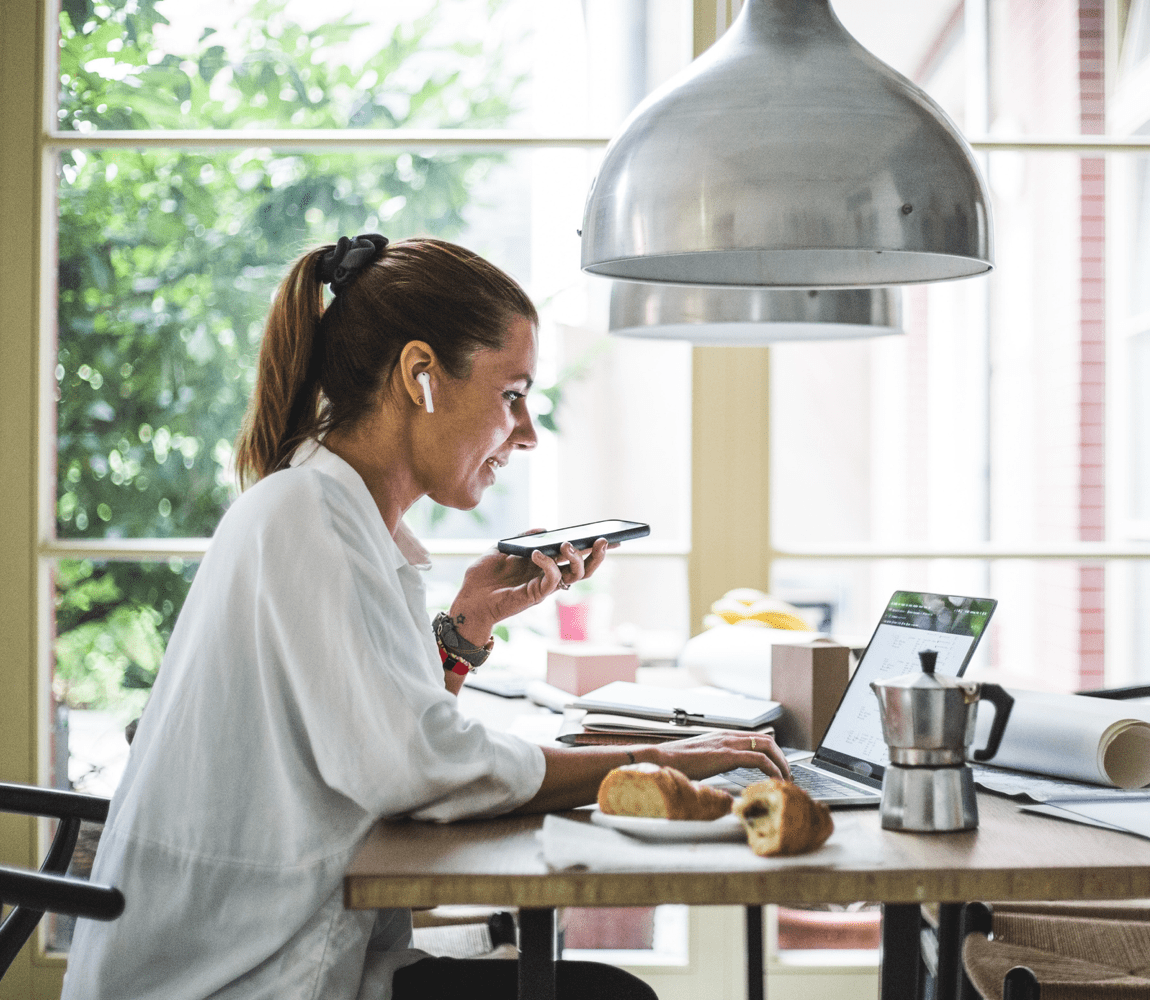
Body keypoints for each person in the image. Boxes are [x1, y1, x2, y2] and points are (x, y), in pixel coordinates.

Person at [61, 234, 790, 1000]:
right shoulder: (308, 518)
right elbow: (416, 768)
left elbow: (388, 745)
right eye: (512, 394)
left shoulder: (329, 513)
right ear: (420, 375)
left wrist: (466, 626)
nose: (528, 432)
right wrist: (658, 763)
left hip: (298, 954)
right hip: (248, 980)